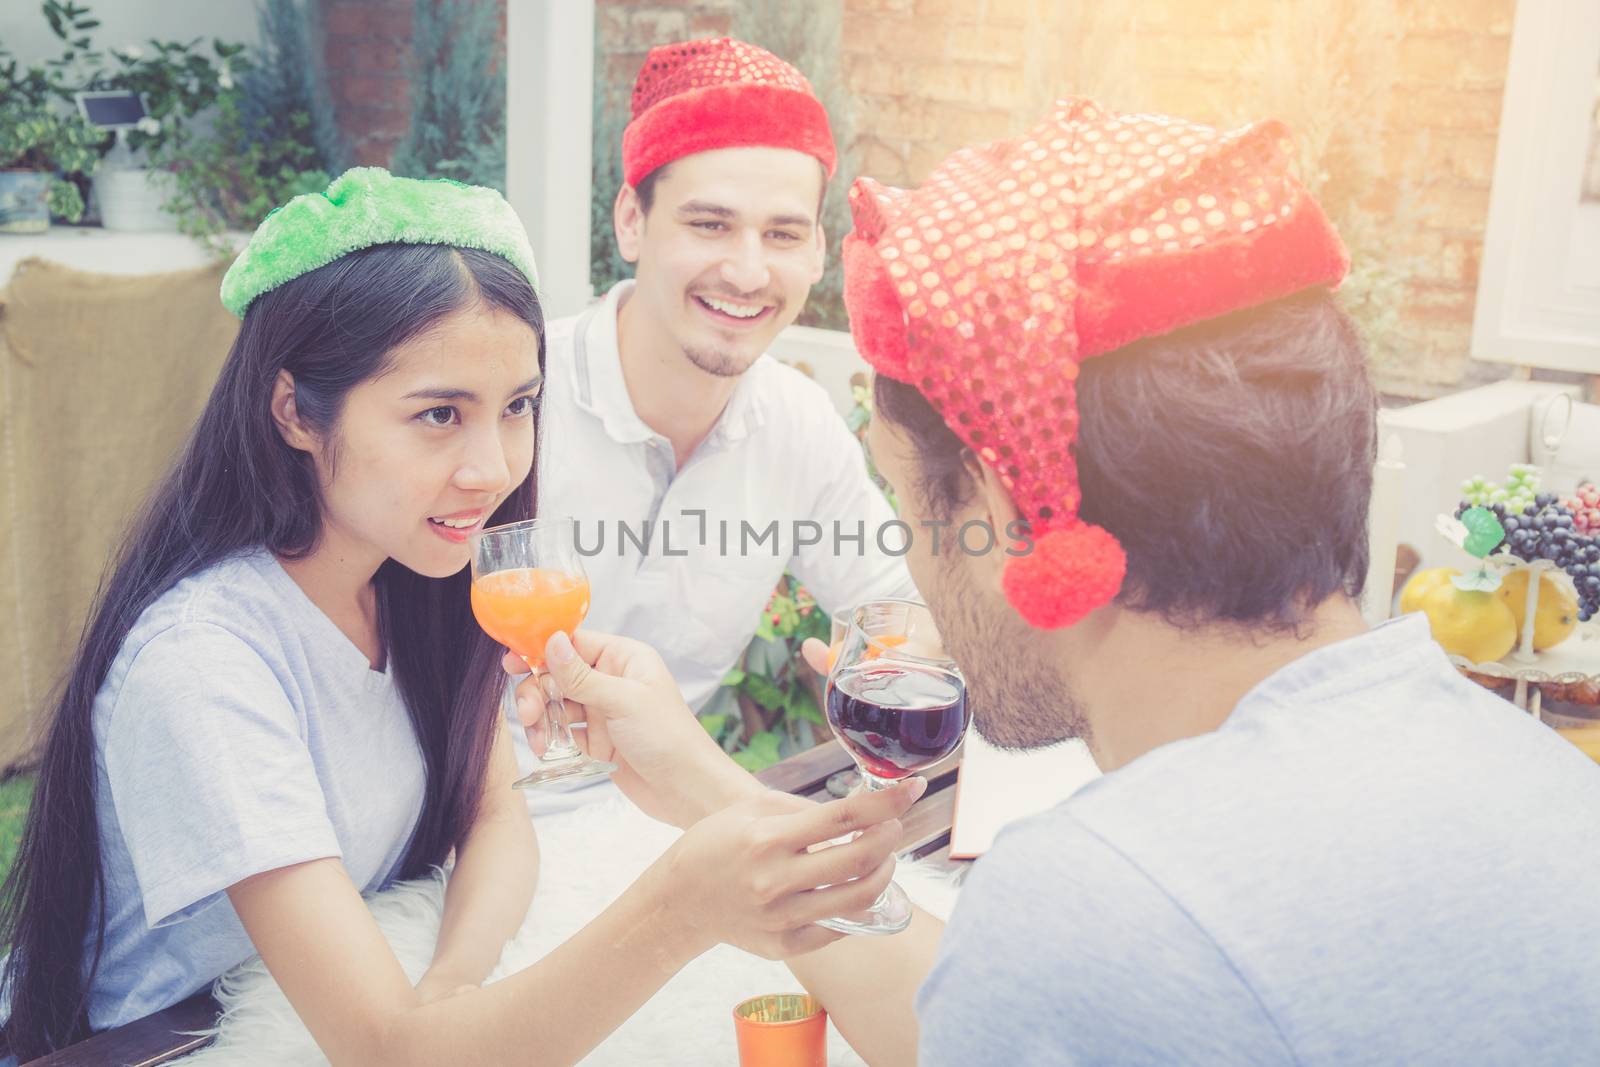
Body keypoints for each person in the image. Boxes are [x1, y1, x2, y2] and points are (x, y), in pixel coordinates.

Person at [530, 99, 1600, 1064]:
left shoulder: (1093, 909)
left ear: (1002, 507)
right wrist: (719, 796)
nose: (907, 564)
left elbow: (1068, 967)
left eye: (909, 511)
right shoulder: (1549, 783)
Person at [0, 168, 920, 1063]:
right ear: (292, 409)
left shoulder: (418, 580)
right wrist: (676, 908)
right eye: (440, 414)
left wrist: (452, 981)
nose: (495, 467)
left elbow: (493, 818)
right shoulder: (204, 663)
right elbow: (387, 1053)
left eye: (518, 407)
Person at [537, 37, 915, 715]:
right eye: (710, 225)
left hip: (668, 805)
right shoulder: (518, 398)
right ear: (632, 221)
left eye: (782, 234)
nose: (747, 273)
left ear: (820, 251)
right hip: (465, 803)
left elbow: (899, 606)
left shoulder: (798, 424)